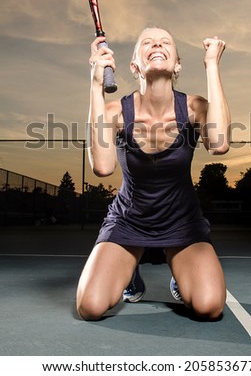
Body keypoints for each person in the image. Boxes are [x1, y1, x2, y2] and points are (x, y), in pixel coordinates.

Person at [76, 26, 230, 321]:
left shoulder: (195, 107)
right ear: (135, 66)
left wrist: (211, 65)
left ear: (177, 64)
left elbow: (219, 144)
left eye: (165, 42)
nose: (157, 44)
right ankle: (130, 269)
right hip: (129, 221)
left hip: (182, 223)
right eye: (146, 42)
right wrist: (95, 85)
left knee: (208, 306)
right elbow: (103, 168)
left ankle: (179, 270)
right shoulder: (115, 113)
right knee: (90, 307)